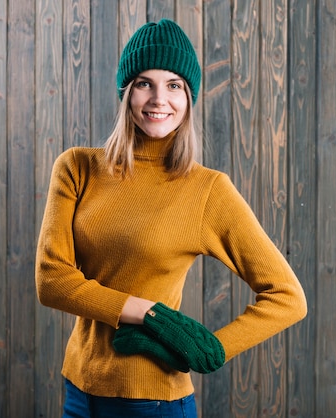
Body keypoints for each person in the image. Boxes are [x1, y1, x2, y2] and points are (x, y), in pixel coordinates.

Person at [35, 18, 307, 418]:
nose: (159, 99)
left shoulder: (207, 190)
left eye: (174, 85)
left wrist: (207, 348)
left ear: (189, 97)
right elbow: (51, 281)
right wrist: (148, 313)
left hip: (153, 401)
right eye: (144, 83)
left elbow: (289, 298)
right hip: (79, 390)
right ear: (127, 93)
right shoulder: (77, 168)